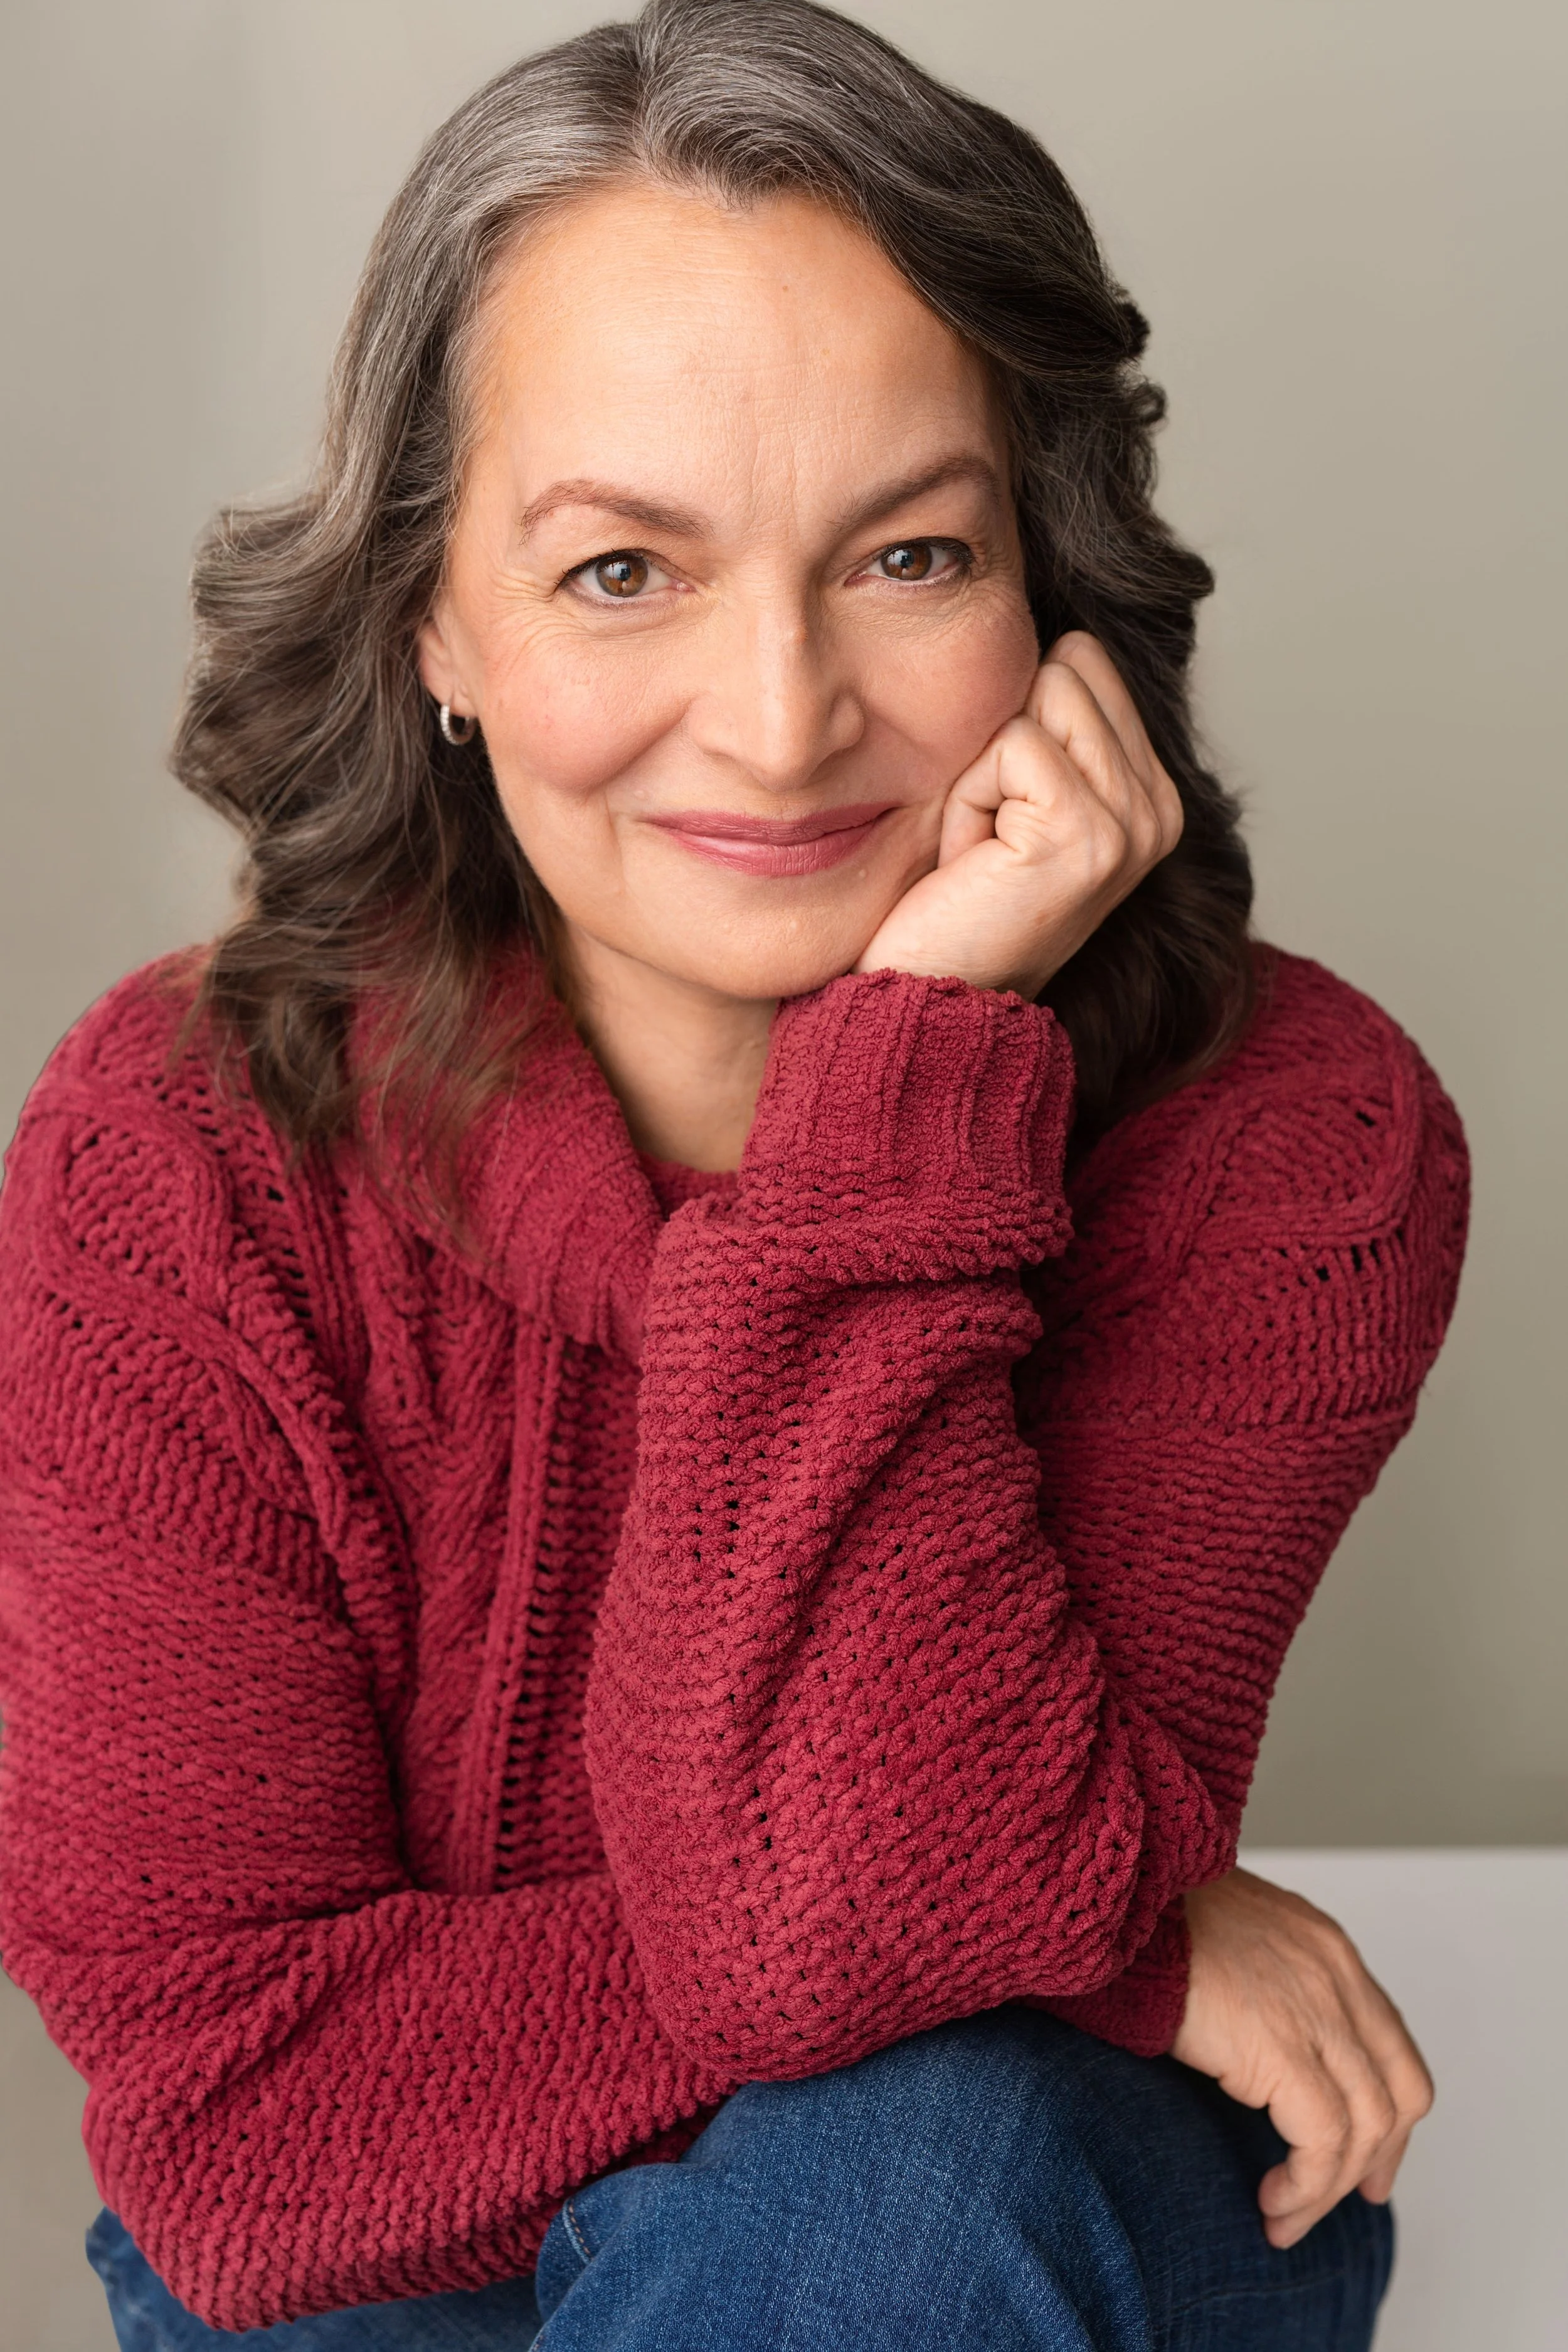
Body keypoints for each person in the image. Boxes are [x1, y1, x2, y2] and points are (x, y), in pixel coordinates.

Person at [0, 3, 1468, 2346]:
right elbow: (247, 2126)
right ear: (432, 626)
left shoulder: (1287, 1144)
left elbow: (907, 1913)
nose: (782, 721)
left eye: (905, 553)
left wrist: (903, 1080)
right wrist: (1119, 1930)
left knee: (918, 2152)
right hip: (392, 2276)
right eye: (618, 572)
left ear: (1052, 592)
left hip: (1012, 2204)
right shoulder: (175, 1161)